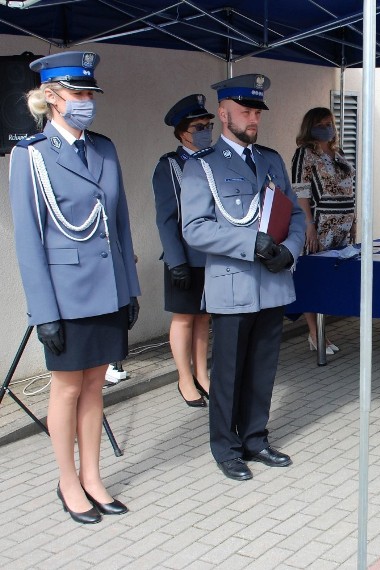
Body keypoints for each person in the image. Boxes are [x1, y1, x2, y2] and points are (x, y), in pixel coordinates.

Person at [9, 51, 140, 523]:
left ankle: (93, 478)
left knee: (94, 388)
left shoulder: (104, 148)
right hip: (65, 298)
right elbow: (28, 242)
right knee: (66, 390)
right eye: (78, 94)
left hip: (106, 291)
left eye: (90, 94)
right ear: (52, 97)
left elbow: (120, 226)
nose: (87, 102)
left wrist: (128, 290)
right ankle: (68, 483)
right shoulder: (32, 157)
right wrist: (43, 314)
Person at [180, 74, 307, 481]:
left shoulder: (270, 159)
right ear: (223, 114)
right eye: (245, 111)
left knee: (263, 369)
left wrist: (291, 249)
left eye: (257, 112)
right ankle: (226, 447)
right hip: (232, 284)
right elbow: (194, 227)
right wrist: (248, 242)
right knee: (229, 372)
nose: (253, 118)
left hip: (272, 283)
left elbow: (297, 215)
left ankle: (255, 438)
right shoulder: (203, 166)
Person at [152, 94, 214, 407]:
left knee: (204, 318)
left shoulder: (213, 161)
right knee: (184, 319)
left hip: (210, 255)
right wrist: (176, 261)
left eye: (208, 126)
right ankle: (184, 378)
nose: (206, 131)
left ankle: (202, 374)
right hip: (183, 258)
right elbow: (165, 218)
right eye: (199, 127)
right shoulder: (170, 166)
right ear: (182, 133)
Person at [291, 107, 356, 355]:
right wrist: (308, 225)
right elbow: (300, 192)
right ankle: (315, 333)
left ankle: (321, 331)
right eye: (321, 124)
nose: (328, 128)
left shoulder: (338, 152)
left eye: (330, 123)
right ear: (311, 127)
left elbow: (349, 188)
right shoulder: (305, 154)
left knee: (332, 279)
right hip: (319, 223)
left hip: (342, 224)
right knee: (314, 279)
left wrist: (353, 221)